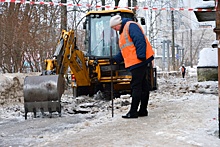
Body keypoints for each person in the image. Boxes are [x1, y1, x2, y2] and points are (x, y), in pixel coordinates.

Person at [109, 15, 155, 119]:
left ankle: (133, 112)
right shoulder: (123, 31)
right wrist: (116, 59)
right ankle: (143, 110)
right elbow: (126, 49)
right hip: (136, 61)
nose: (114, 30)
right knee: (143, 86)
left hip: (138, 61)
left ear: (118, 24)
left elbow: (140, 40)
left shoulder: (130, 26)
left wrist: (141, 55)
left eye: (114, 27)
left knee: (136, 86)